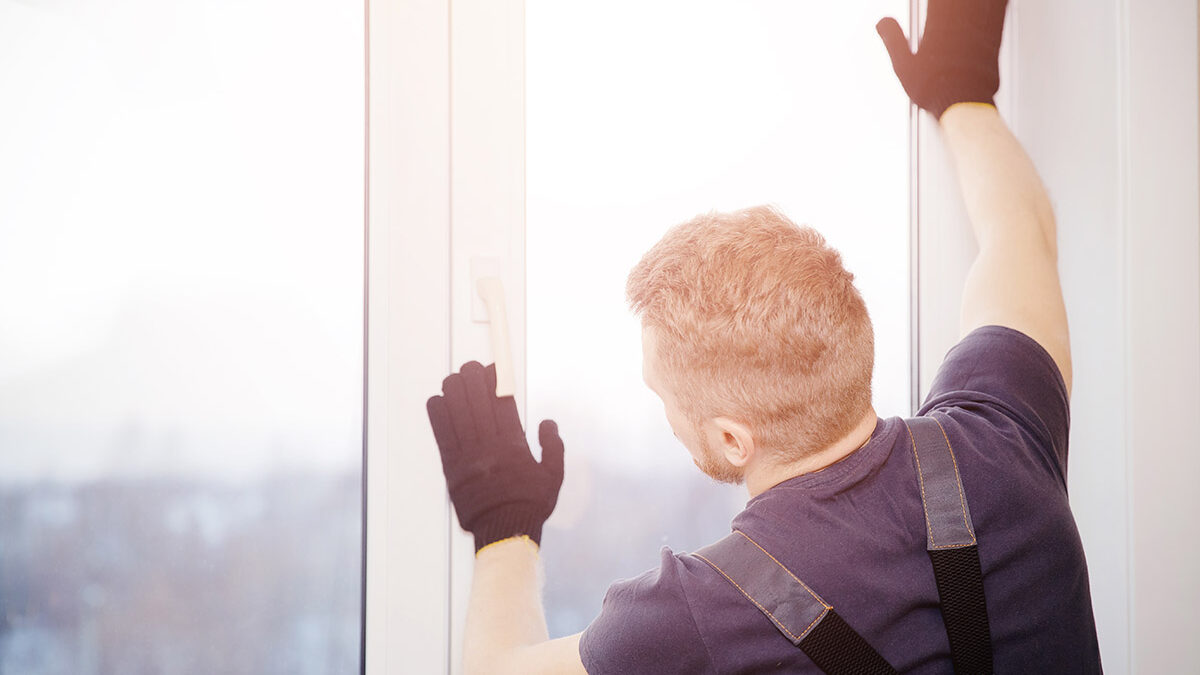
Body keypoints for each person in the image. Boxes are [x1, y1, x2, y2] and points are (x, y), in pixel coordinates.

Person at [425, 0, 1103, 672]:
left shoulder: (697, 614)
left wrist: (503, 521)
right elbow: (1021, 236)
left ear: (731, 437)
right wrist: (962, 92)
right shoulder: (1002, 436)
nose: (663, 411)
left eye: (662, 393)